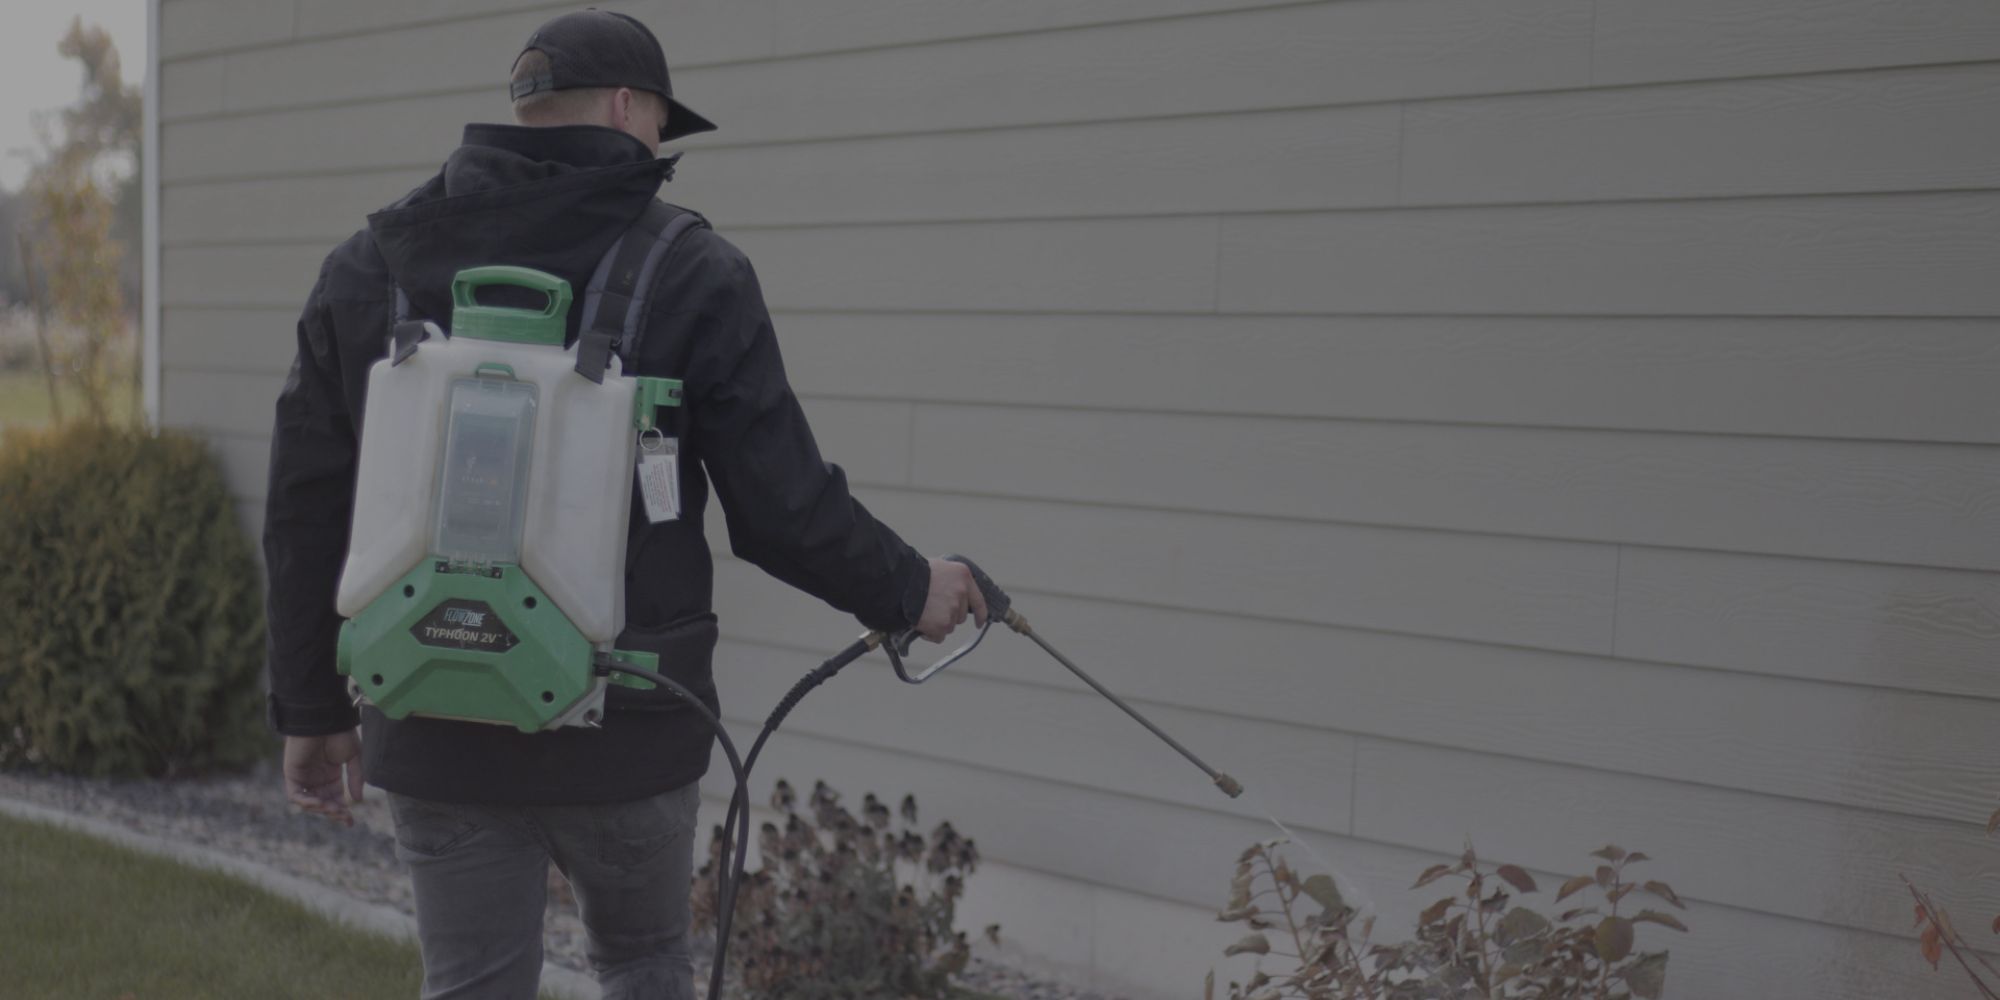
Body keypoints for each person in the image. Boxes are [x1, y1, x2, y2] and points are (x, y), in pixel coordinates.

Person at [261, 10, 986, 999]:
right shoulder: (692, 269)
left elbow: (305, 504)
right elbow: (782, 508)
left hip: (431, 712)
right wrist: (911, 588)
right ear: (624, 107)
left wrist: (310, 706)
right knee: (643, 966)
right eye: (658, 123)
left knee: (471, 984)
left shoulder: (368, 267)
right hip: (630, 726)